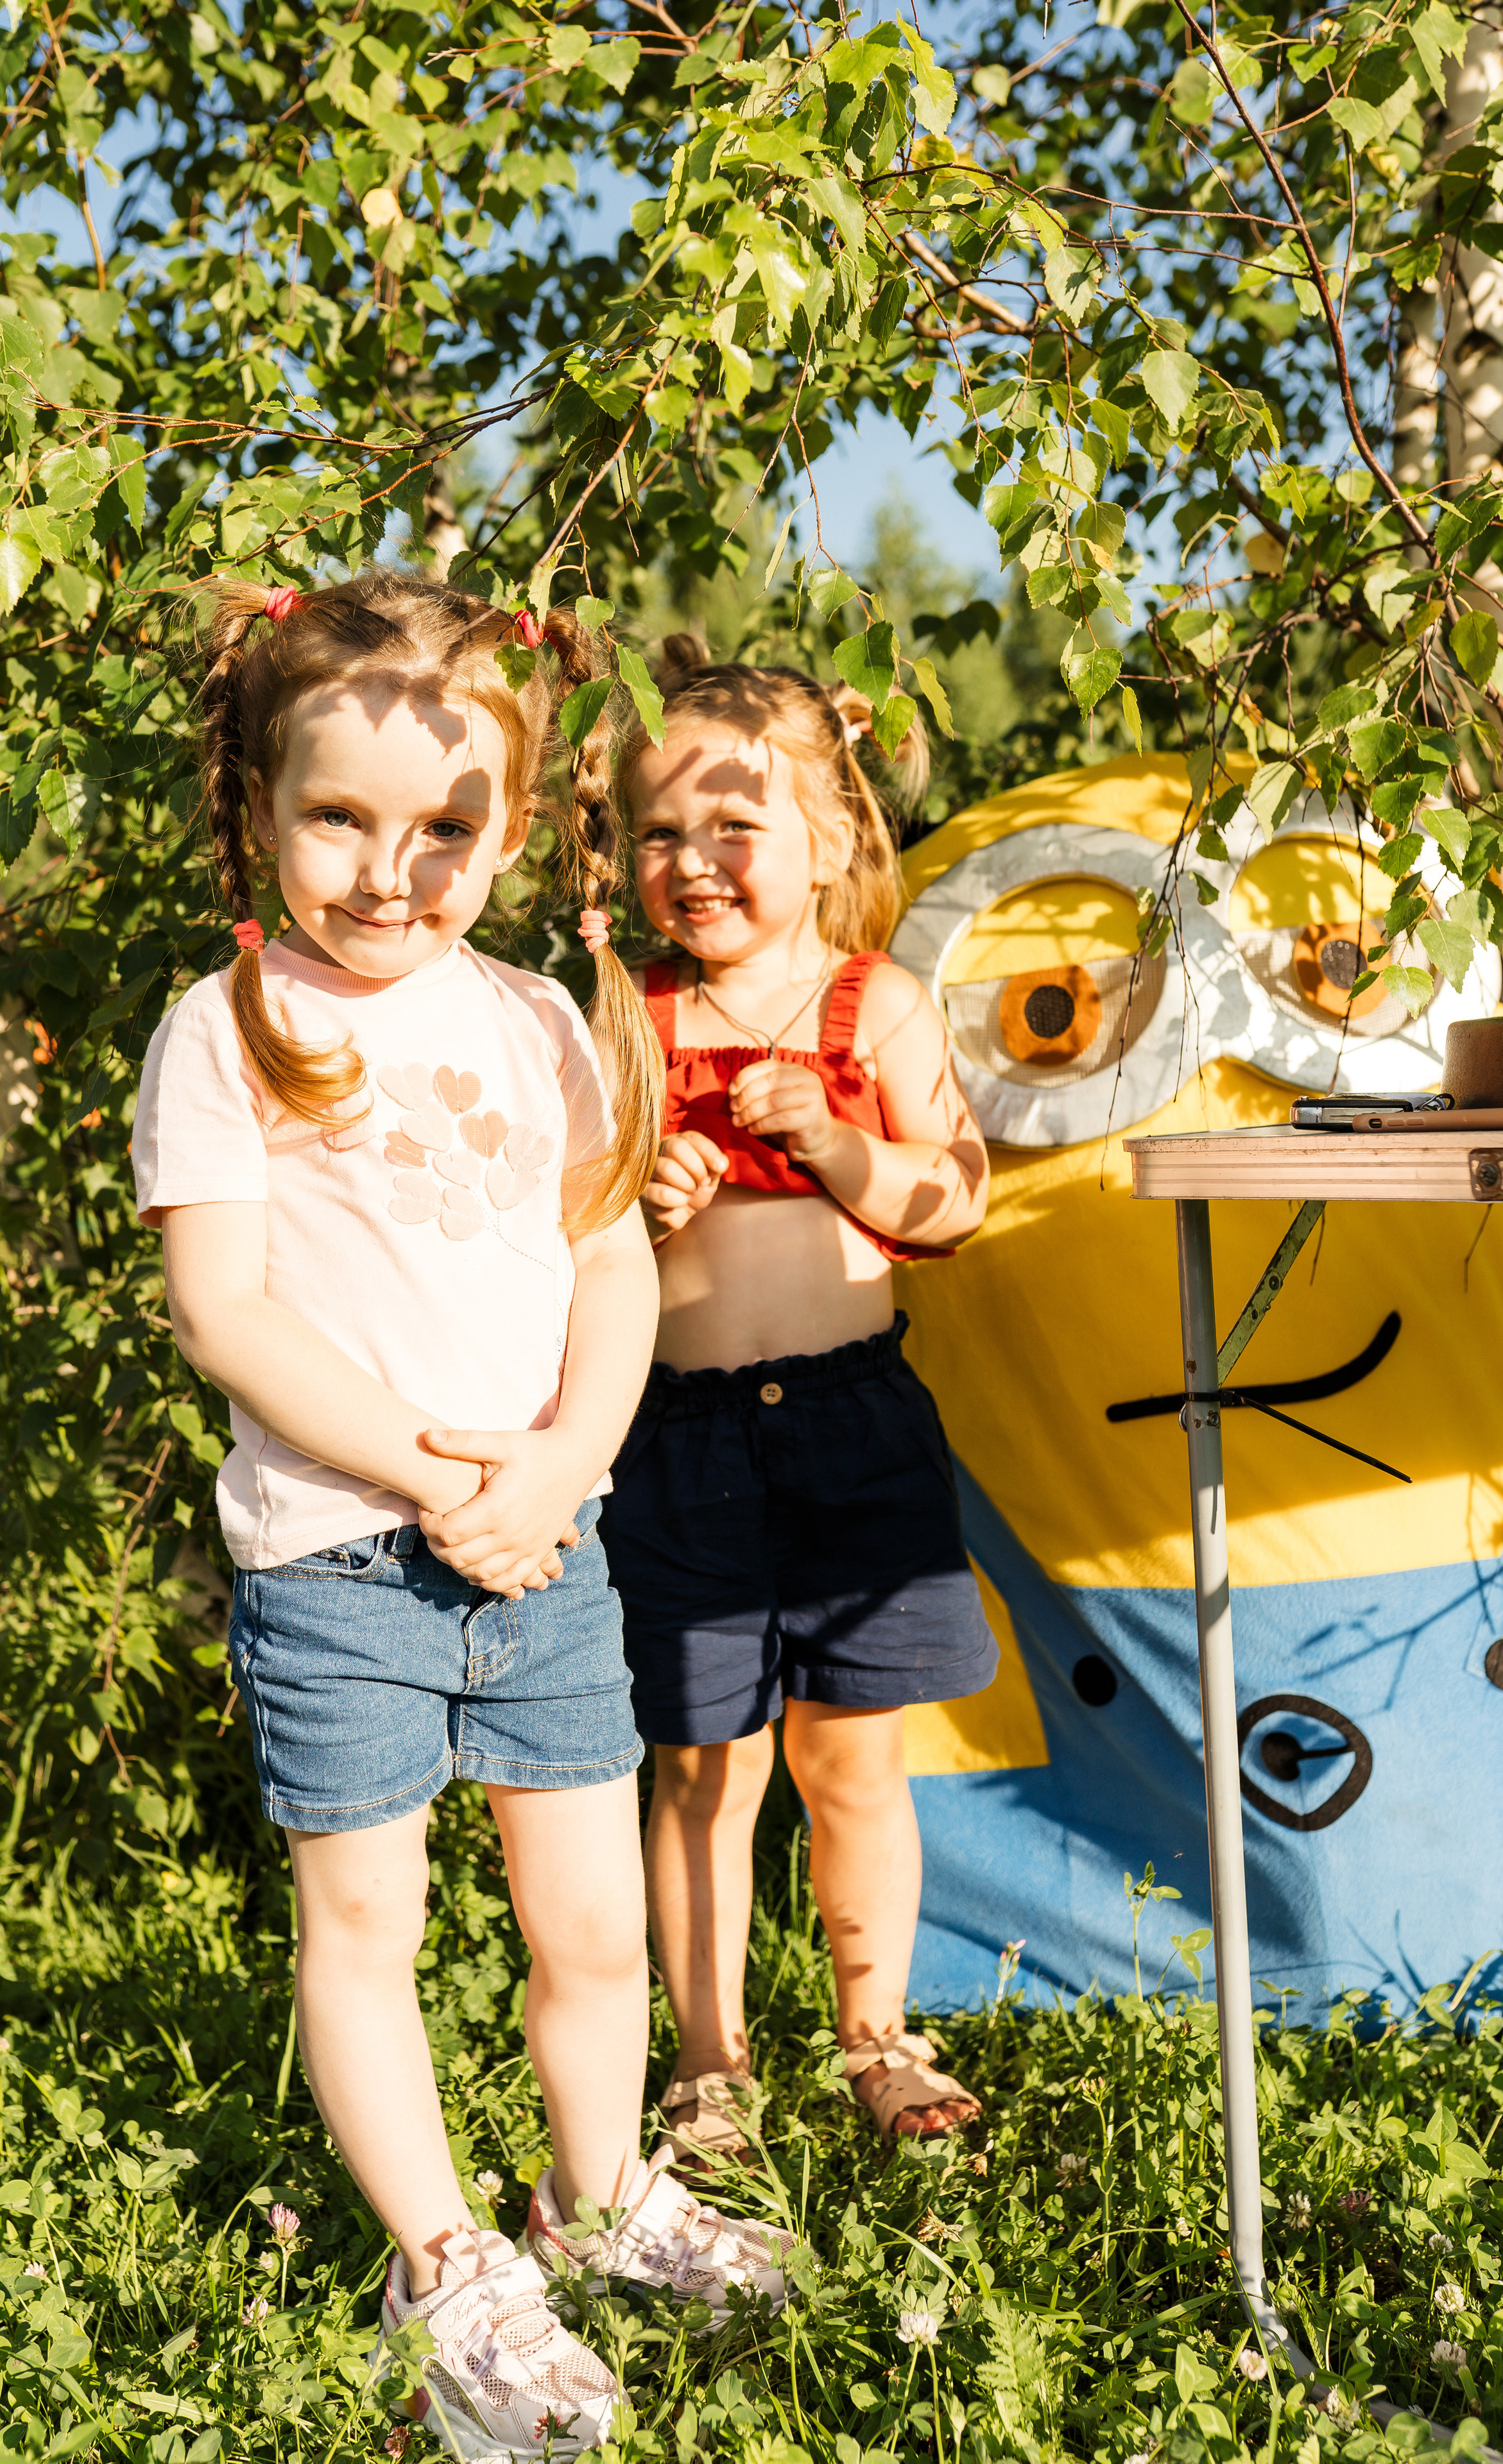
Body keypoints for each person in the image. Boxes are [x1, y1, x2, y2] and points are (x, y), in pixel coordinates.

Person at [132, 575, 791, 2463]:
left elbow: (607, 1270)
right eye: (337, 816)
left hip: (548, 1544)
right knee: (370, 1921)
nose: (388, 869)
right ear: (258, 803)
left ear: (515, 830)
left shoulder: (541, 1023)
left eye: (444, 829)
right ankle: (446, 2265)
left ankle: (602, 2200)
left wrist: (569, 1464)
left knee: (587, 1925)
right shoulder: (232, 1025)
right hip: (346, 1557)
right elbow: (228, 1313)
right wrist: (440, 1481)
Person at [599, 637, 997, 2165]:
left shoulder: (869, 1007)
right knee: (701, 1767)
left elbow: (955, 1199)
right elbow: (569, 1232)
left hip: (851, 1423)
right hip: (682, 1438)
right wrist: (639, 1204)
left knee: (853, 1757)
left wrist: (837, 1149)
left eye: (730, 830)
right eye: (657, 834)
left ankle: (875, 2034)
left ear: (823, 845)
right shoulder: (627, 1018)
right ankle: (707, 2066)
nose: (690, 864)